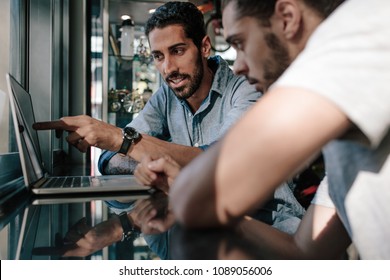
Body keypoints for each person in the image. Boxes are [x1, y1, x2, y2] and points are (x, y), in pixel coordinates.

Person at [33, 1, 306, 259]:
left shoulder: (245, 87)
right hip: (196, 226)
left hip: (268, 234)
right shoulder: (166, 96)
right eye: (158, 56)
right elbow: (108, 160)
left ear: (205, 47)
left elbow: (222, 161)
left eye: (177, 51)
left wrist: (122, 140)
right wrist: (127, 217)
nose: (168, 68)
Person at [163, 0, 390, 259]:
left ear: (288, 18)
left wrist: (196, 194)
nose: (237, 66)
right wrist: (210, 204)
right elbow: (305, 250)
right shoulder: (347, 119)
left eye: (240, 43)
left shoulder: (366, 28)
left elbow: (200, 196)